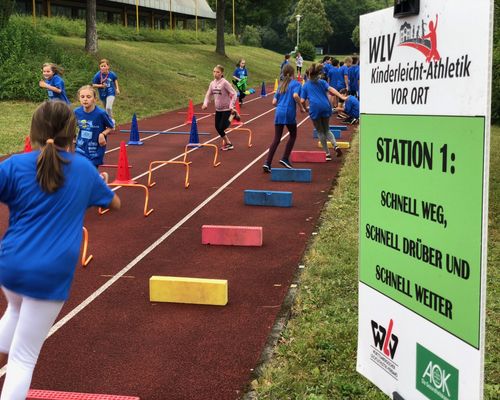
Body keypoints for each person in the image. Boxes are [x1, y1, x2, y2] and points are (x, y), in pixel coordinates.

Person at [0, 101, 120, 400]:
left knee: (15, 310)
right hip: (50, 273)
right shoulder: (83, 170)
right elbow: (114, 203)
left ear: (34, 132)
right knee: (23, 358)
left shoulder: (14, 165)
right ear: (73, 133)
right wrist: (101, 183)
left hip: (10, 264)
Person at [263, 64, 306, 173]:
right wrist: (301, 108)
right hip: (288, 112)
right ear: (293, 74)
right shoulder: (296, 84)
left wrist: (281, 105)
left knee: (276, 138)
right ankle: (285, 158)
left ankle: (267, 163)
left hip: (279, 112)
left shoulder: (281, 85)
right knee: (293, 135)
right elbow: (296, 96)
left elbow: (273, 102)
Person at [301, 63, 346, 161]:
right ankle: (335, 146)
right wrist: (341, 96)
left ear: (308, 75)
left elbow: (302, 101)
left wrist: (304, 108)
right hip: (326, 106)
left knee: (320, 131)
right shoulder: (322, 82)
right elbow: (331, 89)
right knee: (327, 129)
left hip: (315, 108)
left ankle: (327, 154)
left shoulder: (305, 86)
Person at [74, 85, 114, 173]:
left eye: (88, 97)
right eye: (82, 97)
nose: (85, 99)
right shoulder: (76, 112)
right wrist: (73, 137)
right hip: (80, 147)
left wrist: (102, 134)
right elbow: (71, 126)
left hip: (95, 149)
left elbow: (111, 127)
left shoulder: (101, 113)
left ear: (94, 99)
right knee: (79, 171)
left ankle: (100, 179)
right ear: (79, 99)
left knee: (90, 172)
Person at [202, 65, 238, 151]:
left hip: (226, 109)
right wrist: (205, 104)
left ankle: (232, 115)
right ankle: (228, 143)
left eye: (217, 72)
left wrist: (231, 106)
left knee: (222, 127)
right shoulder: (212, 83)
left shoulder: (225, 83)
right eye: (214, 71)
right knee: (217, 127)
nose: (215, 73)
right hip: (218, 109)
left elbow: (234, 94)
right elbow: (208, 94)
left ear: (221, 73)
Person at [92, 59, 120, 123]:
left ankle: (111, 122)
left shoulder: (112, 74)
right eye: (101, 66)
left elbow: (115, 80)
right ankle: (110, 121)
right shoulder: (97, 75)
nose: (103, 67)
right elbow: (93, 85)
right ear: (99, 67)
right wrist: (101, 86)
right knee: (106, 109)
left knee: (108, 108)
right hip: (102, 94)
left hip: (111, 93)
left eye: (104, 66)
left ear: (108, 66)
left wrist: (117, 88)